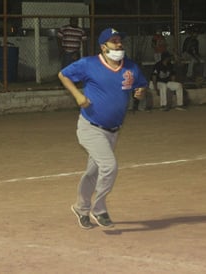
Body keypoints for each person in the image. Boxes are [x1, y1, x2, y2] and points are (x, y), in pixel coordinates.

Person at [58, 27, 148, 229]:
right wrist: (78, 95)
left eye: (120, 40)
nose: (119, 44)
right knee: (109, 166)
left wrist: (140, 92)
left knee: (93, 172)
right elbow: (63, 75)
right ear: (103, 46)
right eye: (114, 41)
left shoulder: (130, 67)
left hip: (113, 131)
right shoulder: (89, 64)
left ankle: (80, 209)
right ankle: (99, 210)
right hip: (90, 127)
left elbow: (141, 85)